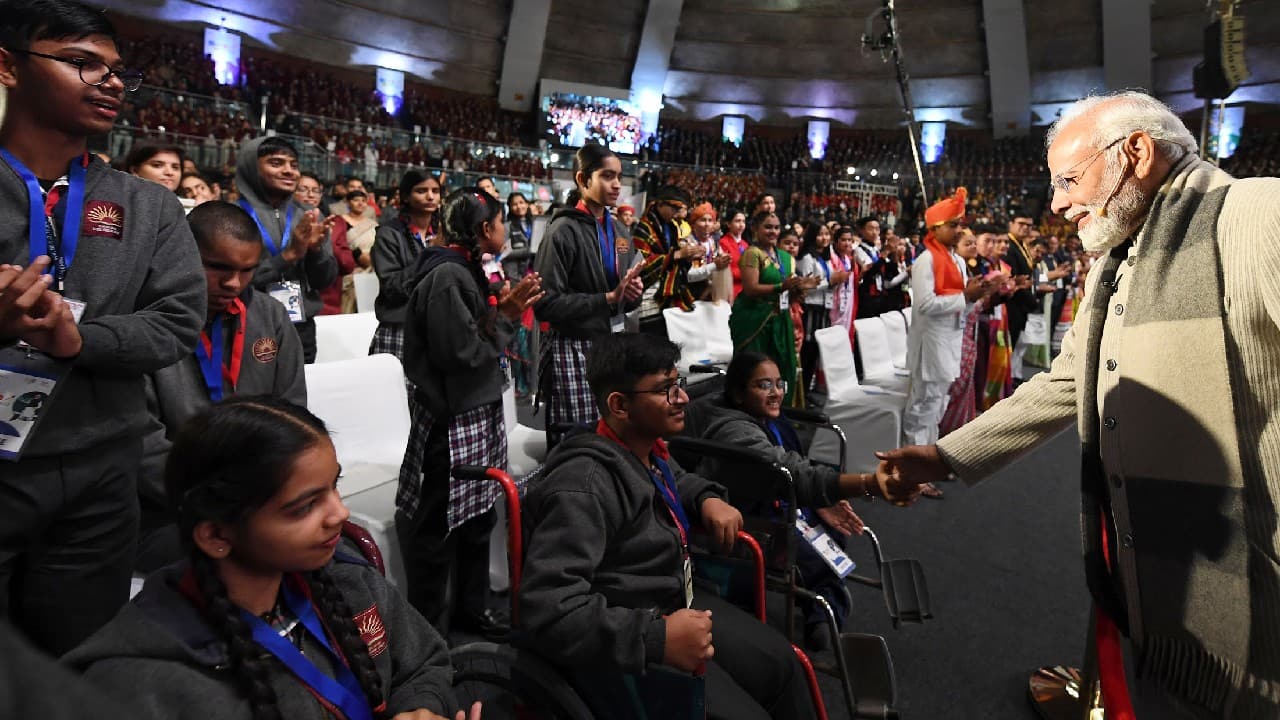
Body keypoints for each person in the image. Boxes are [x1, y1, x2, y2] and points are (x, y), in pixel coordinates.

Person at [880, 91, 1280, 719]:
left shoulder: (1259, 216)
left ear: (1137, 154)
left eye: (1069, 179)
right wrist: (943, 456)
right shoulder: (1118, 261)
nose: (1059, 203)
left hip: (1257, 601)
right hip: (1145, 576)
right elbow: (1069, 381)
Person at [0, 0, 206, 655]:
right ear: (8, 66)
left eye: (118, 71)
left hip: (101, 467)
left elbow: (176, 324)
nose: (111, 82)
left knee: (79, 658)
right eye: (82, 64)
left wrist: (79, 340)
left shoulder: (147, 205)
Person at [66, 398, 476, 720]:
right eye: (303, 507)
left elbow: (424, 661)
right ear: (216, 535)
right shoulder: (138, 686)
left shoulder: (348, 580)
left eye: (335, 486)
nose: (340, 513)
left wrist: (420, 707)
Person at [518, 334, 815, 720]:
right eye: (666, 389)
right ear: (620, 405)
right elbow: (548, 612)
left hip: (673, 598)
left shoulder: (646, 449)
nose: (683, 399)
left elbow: (675, 479)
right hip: (628, 630)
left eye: (679, 384)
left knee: (784, 667)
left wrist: (707, 497)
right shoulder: (584, 487)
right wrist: (656, 637)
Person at [397, 188, 542, 634]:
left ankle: (470, 611)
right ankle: (428, 632)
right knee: (439, 529)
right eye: (499, 223)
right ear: (485, 229)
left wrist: (503, 310)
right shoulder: (447, 277)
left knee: (478, 519)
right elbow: (459, 354)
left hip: (474, 414)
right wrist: (508, 316)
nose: (503, 231)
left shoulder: (463, 269)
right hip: (452, 420)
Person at [136, 201, 306, 572]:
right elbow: (141, 444)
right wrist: (222, 501)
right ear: (183, 253)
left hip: (259, 496)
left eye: (248, 271)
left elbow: (292, 414)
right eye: (219, 268)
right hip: (167, 511)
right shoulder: (144, 320)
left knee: (336, 543)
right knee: (254, 554)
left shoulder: (270, 315)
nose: (234, 284)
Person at [696, 351, 907, 648]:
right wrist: (867, 484)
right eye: (763, 386)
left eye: (779, 384)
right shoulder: (734, 432)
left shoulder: (770, 420)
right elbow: (785, 470)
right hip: (752, 516)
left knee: (832, 531)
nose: (776, 393)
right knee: (815, 555)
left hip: (780, 502)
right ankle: (822, 612)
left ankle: (822, 608)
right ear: (739, 394)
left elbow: (793, 467)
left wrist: (819, 501)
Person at [532, 143, 643, 444]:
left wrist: (631, 293)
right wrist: (607, 299)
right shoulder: (562, 231)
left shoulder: (620, 230)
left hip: (611, 345)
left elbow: (623, 299)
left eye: (619, 176)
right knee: (576, 439)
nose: (617, 184)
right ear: (583, 180)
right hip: (572, 346)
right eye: (607, 176)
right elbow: (544, 303)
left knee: (611, 435)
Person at [900, 187, 993, 452]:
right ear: (936, 228)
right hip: (929, 344)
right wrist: (965, 296)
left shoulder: (956, 261)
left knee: (938, 404)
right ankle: (912, 467)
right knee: (922, 406)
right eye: (953, 225)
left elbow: (959, 305)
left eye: (959, 224)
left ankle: (927, 458)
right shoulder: (925, 261)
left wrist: (975, 296)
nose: (959, 230)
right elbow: (925, 305)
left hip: (951, 340)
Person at [236, 136, 338, 363]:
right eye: (276, 163)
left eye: (293, 164)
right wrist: (288, 255)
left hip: (301, 326)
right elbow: (232, 280)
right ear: (252, 167)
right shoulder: (233, 216)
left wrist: (315, 251)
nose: (289, 171)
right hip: (248, 321)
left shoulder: (310, 215)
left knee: (299, 396)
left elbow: (324, 281)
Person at [728, 211, 813, 407]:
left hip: (779, 319)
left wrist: (798, 290)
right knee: (755, 370)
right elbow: (750, 289)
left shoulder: (783, 256)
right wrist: (781, 287)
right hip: (754, 321)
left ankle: (778, 412)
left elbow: (785, 291)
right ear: (755, 229)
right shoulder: (752, 253)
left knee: (782, 367)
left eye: (776, 227)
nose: (773, 231)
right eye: (767, 227)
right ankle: (749, 411)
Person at [370, 169, 442, 372]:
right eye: (422, 190)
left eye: (435, 191)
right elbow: (392, 287)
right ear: (405, 196)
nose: (430, 196)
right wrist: (431, 253)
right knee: (395, 399)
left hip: (437, 326)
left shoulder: (443, 230)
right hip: (400, 328)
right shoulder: (389, 234)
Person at [632, 185, 699, 337]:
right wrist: (676, 255)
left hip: (667, 296)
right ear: (661, 204)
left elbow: (676, 257)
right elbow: (639, 263)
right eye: (675, 209)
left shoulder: (672, 227)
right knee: (651, 342)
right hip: (648, 298)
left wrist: (687, 256)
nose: (677, 214)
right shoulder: (643, 228)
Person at [796, 222, 849, 395]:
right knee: (807, 351)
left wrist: (835, 282)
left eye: (827, 234)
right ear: (812, 236)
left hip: (823, 308)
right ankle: (800, 393)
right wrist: (831, 282)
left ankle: (807, 392)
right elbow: (805, 285)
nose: (825, 238)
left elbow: (827, 282)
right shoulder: (807, 257)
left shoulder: (826, 257)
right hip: (811, 308)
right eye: (820, 234)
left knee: (816, 351)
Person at [295, 173, 355, 316]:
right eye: (303, 189)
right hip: (291, 293)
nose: (310, 195)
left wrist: (324, 241)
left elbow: (347, 264)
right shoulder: (281, 221)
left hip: (327, 296)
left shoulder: (335, 222)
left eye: (316, 191)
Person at [684, 201, 730, 301]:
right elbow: (690, 275)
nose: (707, 224)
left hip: (712, 294)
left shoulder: (713, 242)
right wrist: (715, 266)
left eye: (710, 220)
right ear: (693, 223)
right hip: (692, 295)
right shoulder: (688, 244)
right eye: (703, 220)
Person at [339, 189, 377, 313]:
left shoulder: (372, 224)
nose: (360, 203)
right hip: (349, 272)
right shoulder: (340, 221)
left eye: (363, 200)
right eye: (356, 200)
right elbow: (338, 244)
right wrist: (357, 254)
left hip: (371, 270)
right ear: (348, 203)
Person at [718, 209, 749, 299]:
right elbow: (725, 270)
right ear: (728, 224)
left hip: (745, 288)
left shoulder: (745, 244)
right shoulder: (723, 243)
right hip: (730, 289)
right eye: (737, 221)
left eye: (743, 221)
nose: (741, 224)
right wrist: (748, 274)